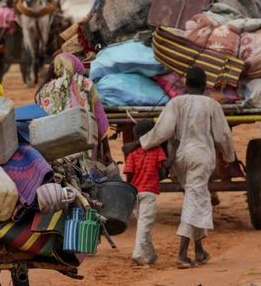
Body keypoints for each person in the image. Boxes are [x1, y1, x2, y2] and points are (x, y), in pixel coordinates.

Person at [124, 67, 235, 269]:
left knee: (195, 196)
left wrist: (139, 143)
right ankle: (183, 254)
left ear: (186, 85)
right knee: (195, 198)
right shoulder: (211, 105)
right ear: (204, 85)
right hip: (201, 156)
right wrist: (229, 156)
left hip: (180, 158)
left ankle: (199, 250)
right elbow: (223, 136)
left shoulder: (176, 102)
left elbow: (162, 131)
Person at [36, 53, 112, 163]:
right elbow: (100, 119)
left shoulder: (45, 90)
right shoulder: (86, 84)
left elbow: (36, 98)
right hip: (84, 146)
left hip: (56, 151)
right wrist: (107, 150)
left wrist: (48, 75)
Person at [126, 121, 175, 266]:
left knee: (143, 225)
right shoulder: (157, 150)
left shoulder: (133, 153)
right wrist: (175, 148)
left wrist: (130, 191)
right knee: (144, 225)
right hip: (149, 192)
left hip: (135, 192)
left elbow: (129, 172)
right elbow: (165, 166)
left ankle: (151, 255)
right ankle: (137, 253)